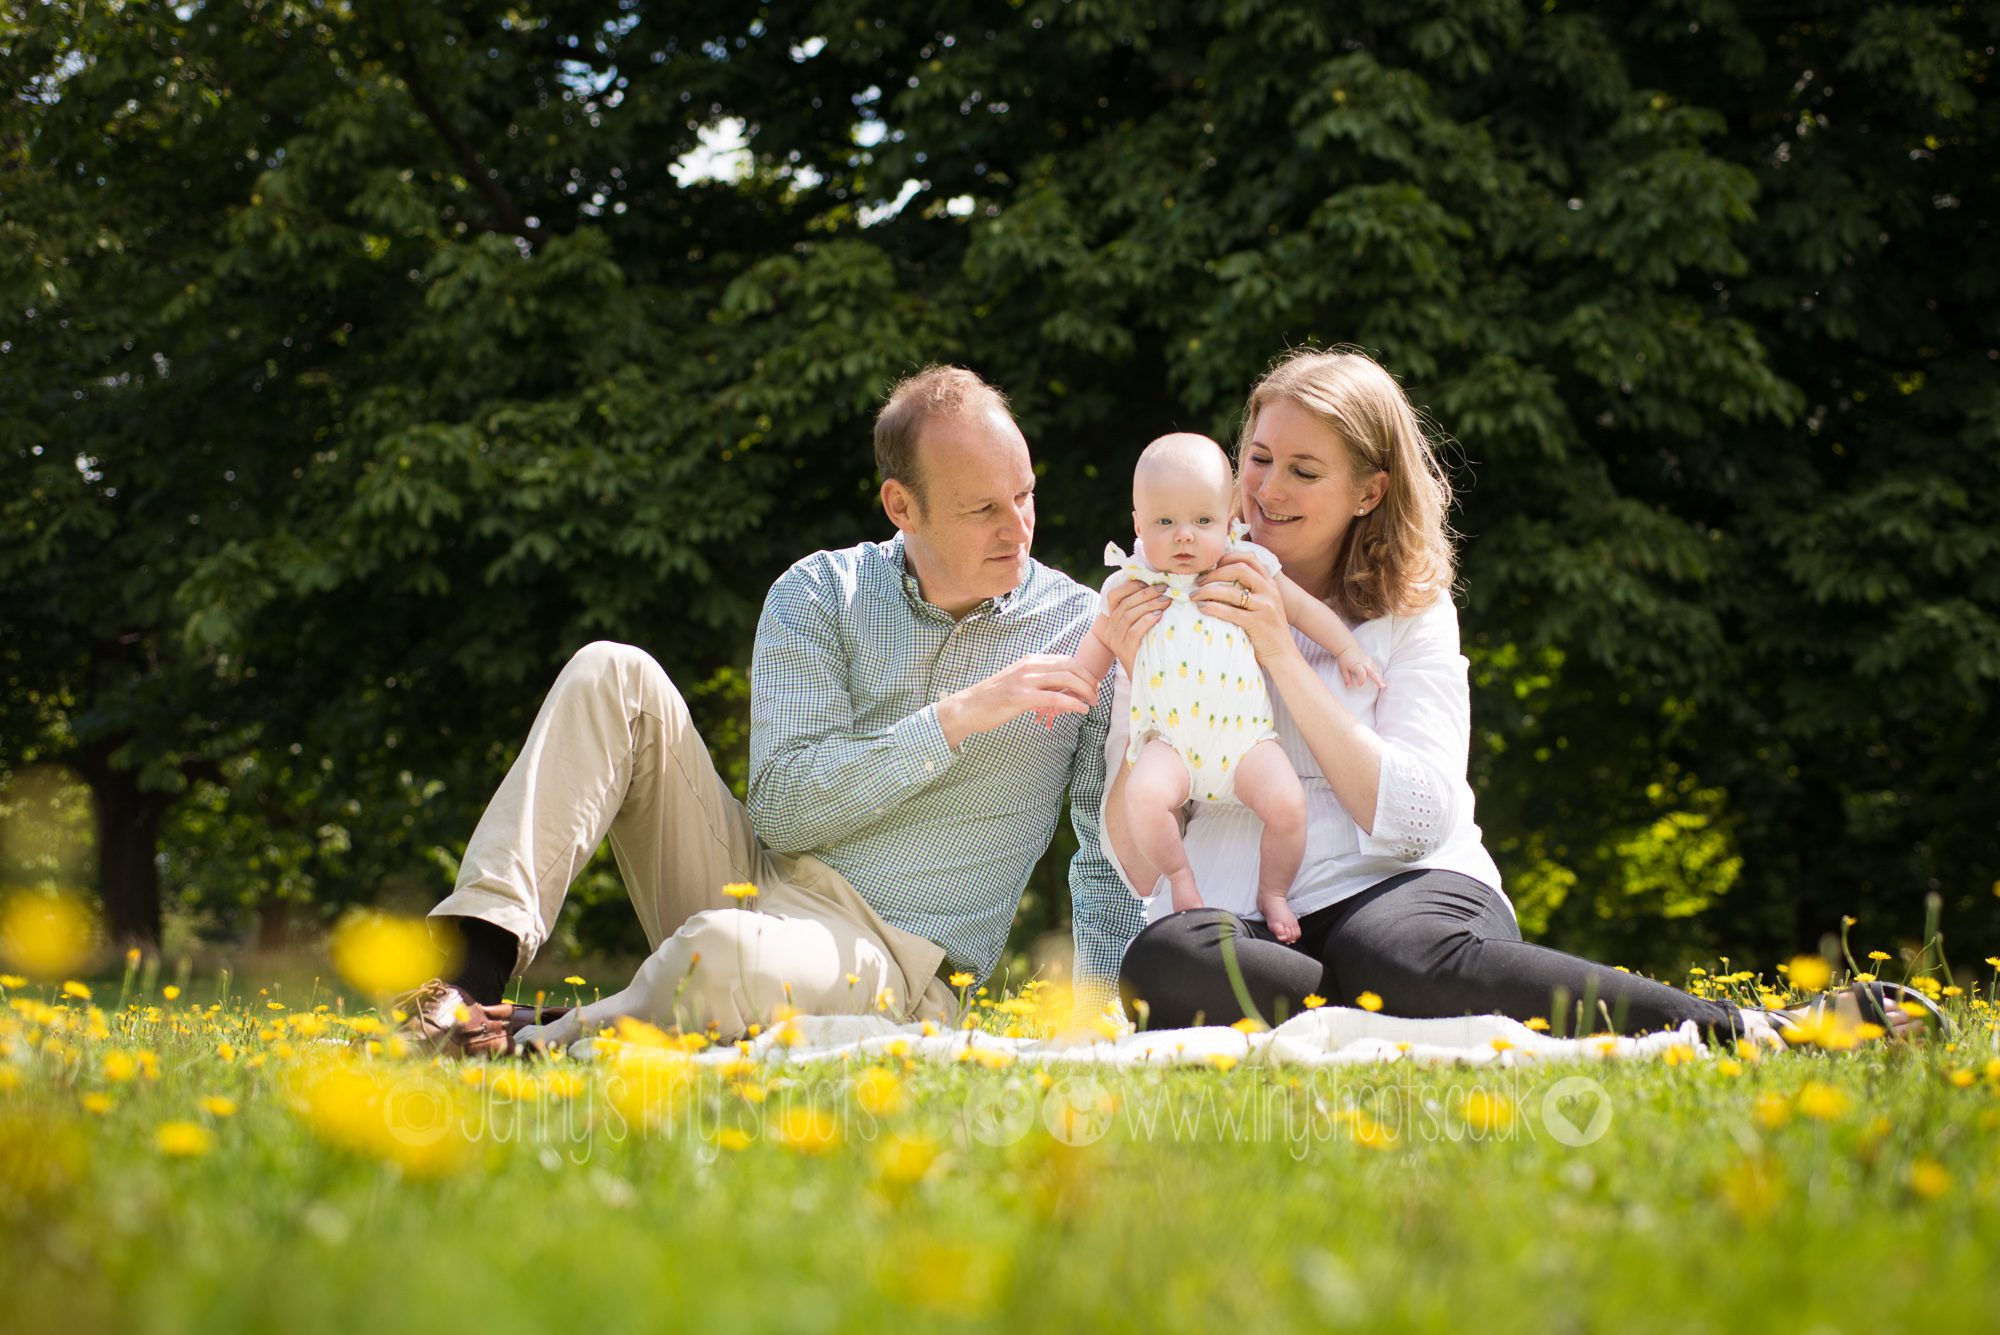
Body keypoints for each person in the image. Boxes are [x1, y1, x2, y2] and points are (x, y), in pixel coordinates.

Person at [1108, 348, 1923, 1043]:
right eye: (1257, 457)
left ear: (1369, 491)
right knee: (1162, 964)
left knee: (1390, 958)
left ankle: (1748, 1028)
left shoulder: (1413, 607)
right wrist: (1129, 684)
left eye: (1303, 470)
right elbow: (1134, 853)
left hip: (1403, 893)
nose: (1263, 490)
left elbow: (1418, 817)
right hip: (1243, 918)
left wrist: (1282, 653)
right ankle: (1396, 1014)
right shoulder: (1166, 591)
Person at [402, 366, 1145, 1056]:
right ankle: (465, 983)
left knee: (723, 953)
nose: (1018, 529)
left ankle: (547, 1034)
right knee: (611, 671)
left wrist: (1109, 1011)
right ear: (901, 505)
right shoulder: (821, 592)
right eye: (984, 508)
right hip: (750, 883)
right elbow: (784, 812)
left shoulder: (1085, 633)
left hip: (891, 956)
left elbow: (1103, 853)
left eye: (1025, 495)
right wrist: (953, 720)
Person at [1054, 431, 1381, 945]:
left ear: (1229, 522)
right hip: (1170, 744)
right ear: (1138, 525)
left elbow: (1303, 611)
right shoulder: (1129, 585)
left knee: (1288, 805)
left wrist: (1346, 649)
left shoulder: (1245, 568)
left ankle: (1272, 893)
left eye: (1202, 521)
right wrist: (1078, 682)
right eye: (1165, 522)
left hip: (1245, 741)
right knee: (1144, 797)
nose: (1184, 536)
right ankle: (1182, 883)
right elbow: (1099, 644)